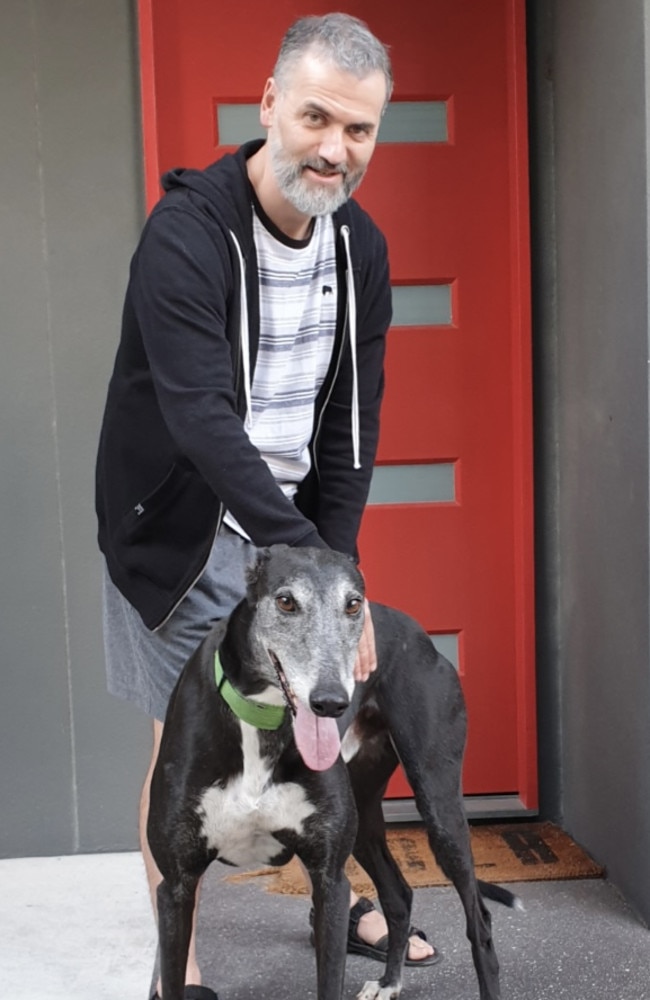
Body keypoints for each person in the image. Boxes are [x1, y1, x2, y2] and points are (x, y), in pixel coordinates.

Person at [96, 12, 437, 998]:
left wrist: (341, 583)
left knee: (328, 712)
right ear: (269, 107)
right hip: (180, 526)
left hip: (288, 521)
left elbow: (348, 434)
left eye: (360, 130)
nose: (334, 148)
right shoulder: (186, 235)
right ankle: (182, 967)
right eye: (316, 117)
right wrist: (310, 569)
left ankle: (347, 881)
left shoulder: (358, 251)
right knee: (190, 750)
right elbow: (201, 421)